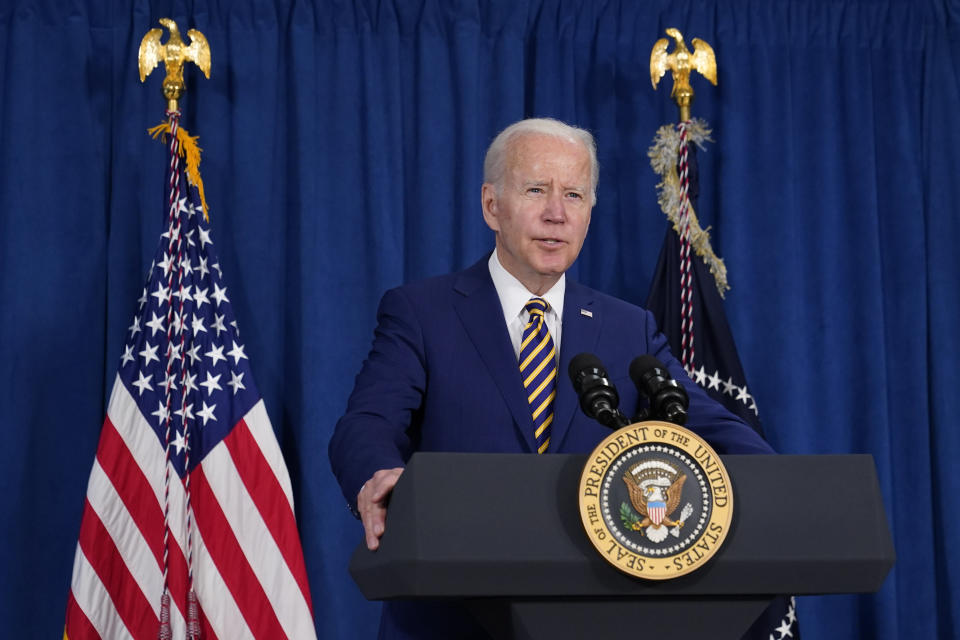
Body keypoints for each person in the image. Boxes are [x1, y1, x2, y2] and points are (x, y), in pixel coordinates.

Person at [328, 118, 774, 639]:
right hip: (452, 613)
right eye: (536, 190)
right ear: (491, 205)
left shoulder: (629, 328)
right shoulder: (422, 312)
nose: (556, 214)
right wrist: (376, 476)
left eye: (575, 195)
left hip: (594, 615)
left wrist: (774, 485)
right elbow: (367, 422)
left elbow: (709, 426)